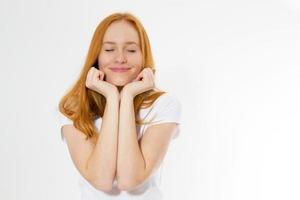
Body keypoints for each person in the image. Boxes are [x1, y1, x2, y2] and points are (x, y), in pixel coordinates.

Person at [56, 12, 182, 200]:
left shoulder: (163, 105)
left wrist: (129, 95)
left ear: (143, 55)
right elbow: (101, 179)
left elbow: (129, 180)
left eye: (131, 50)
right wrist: (112, 97)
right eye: (109, 50)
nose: (120, 58)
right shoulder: (74, 108)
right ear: (96, 56)